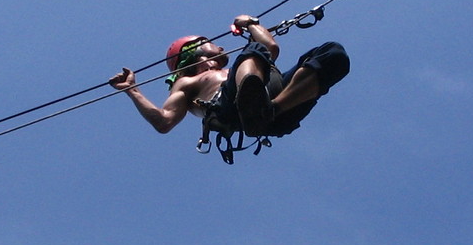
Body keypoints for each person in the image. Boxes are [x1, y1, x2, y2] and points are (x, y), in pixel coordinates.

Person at [109, 14, 349, 148]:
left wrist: (251, 23)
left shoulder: (244, 65)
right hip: (231, 109)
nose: (221, 46)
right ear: (194, 51)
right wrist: (132, 90)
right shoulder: (187, 83)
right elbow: (164, 122)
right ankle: (255, 104)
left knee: (333, 54)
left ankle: (271, 108)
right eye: (211, 43)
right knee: (254, 51)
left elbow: (271, 47)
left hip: (274, 111)